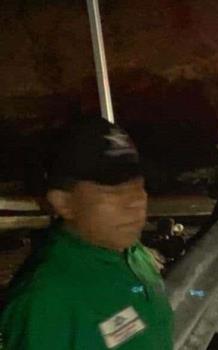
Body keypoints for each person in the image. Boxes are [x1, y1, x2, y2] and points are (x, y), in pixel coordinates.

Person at [0, 117, 173, 350]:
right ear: (63, 203)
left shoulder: (134, 254)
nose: (135, 202)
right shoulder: (47, 301)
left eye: (138, 186)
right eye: (114, 192)